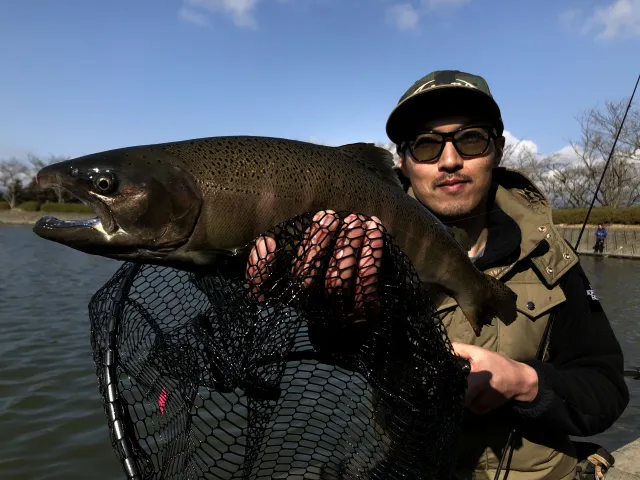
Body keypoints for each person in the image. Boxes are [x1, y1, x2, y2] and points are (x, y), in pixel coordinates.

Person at [246, 70, 629, 479]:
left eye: (470, 139)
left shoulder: (553, 257)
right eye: (427, 145)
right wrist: (330, 311)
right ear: (403, 162)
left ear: (497, 149)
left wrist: (522, 382)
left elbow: (606, 391)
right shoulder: (358, 247)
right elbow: (335, 356)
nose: (450, 160)